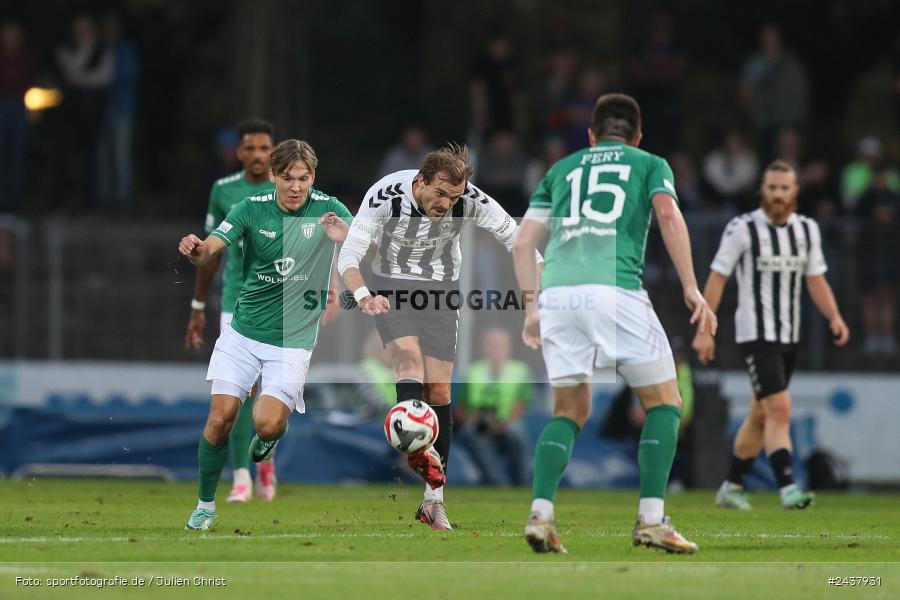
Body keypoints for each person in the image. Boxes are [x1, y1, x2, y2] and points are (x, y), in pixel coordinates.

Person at [513, 93, 715, 554]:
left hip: (559, 294)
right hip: (615, 288)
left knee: (568, 411)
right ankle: (650, 520)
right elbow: (667, 213)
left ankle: (541, 514)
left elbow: (523, 243)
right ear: (637, 136)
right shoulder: (649, 163)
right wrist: (690, 286)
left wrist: (531, 308)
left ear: (591, 135)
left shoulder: (560, 169)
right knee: (665, 402)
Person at [337, 143, 542, 531]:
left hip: (441, 292)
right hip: (392, 286)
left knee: (442, 392)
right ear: (420, 182)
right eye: (440, 194)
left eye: (454, 197)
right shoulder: (385, 194)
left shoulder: (471, 199)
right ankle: (411, 442)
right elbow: (349, 255)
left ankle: (433, 501)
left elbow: (520, 244)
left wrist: (537, 294)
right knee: (408, 362)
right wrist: (363, 295)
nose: (447, 203)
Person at [178, 139, 351, 530]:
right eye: (287, 178)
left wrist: (346, 246)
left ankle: (270, 436)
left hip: (292, 340)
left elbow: (364, 248)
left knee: (266, 423)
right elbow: (209, 250)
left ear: (313, 178)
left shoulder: (329, 210)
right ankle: (205, 505)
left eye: (303, 179)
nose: (295, 187)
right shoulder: (250, 209)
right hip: (243, 332)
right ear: (273, 176)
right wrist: (195, 249)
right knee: (221, 418)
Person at [692, 160, 850, 511]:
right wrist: (705, 329)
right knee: (779, 410)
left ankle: (731, 487)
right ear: (762, 190)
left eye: (784, 188)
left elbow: (815, 278)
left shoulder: (807, 229)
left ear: (795, 192)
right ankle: (789, 487)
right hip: (756, 335)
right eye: (772, 187)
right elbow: (718, 277)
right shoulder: (742, 228)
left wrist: (834, 315)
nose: (778, 194)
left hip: (789, 336)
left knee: (760, 415)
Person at [184, 119, 277, 504]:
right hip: (237, 300)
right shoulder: (224, 191)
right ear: (239, 153)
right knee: (235, 392)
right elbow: (209, 255)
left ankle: (265, 456)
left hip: (280, 304)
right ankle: (241, 476)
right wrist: (198, 306)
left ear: (274, 152)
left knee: (268, 396)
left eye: (264, 148)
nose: (257, 155)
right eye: (250, 148)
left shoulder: (287, 189)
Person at [455, 327, 532, 486]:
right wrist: (479, 422)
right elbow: (461, 409)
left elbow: (520, 406)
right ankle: (495, 480)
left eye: (500, 344)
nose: (496, 349)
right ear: (483, 347)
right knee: (470, 432)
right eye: (492, 344)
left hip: (507, 422)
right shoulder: (472, 372)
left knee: (516, 432)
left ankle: (520, 480)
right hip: (478, 422)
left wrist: (500, 424)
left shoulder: (520, 372)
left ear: (509, 347)